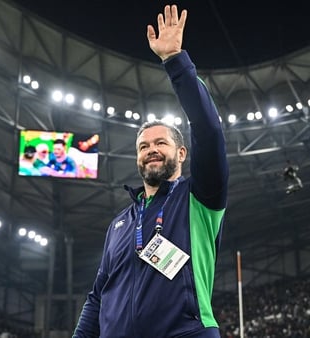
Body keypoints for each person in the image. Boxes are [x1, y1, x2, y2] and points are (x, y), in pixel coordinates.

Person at [73, 4, 228, 338]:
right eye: (143, 146)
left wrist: (175, 61)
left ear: (182, 153)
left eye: (161, 143)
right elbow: (97, 297)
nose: (151, 150)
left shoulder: (200, 197)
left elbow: (209, 130)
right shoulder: (119, 224)